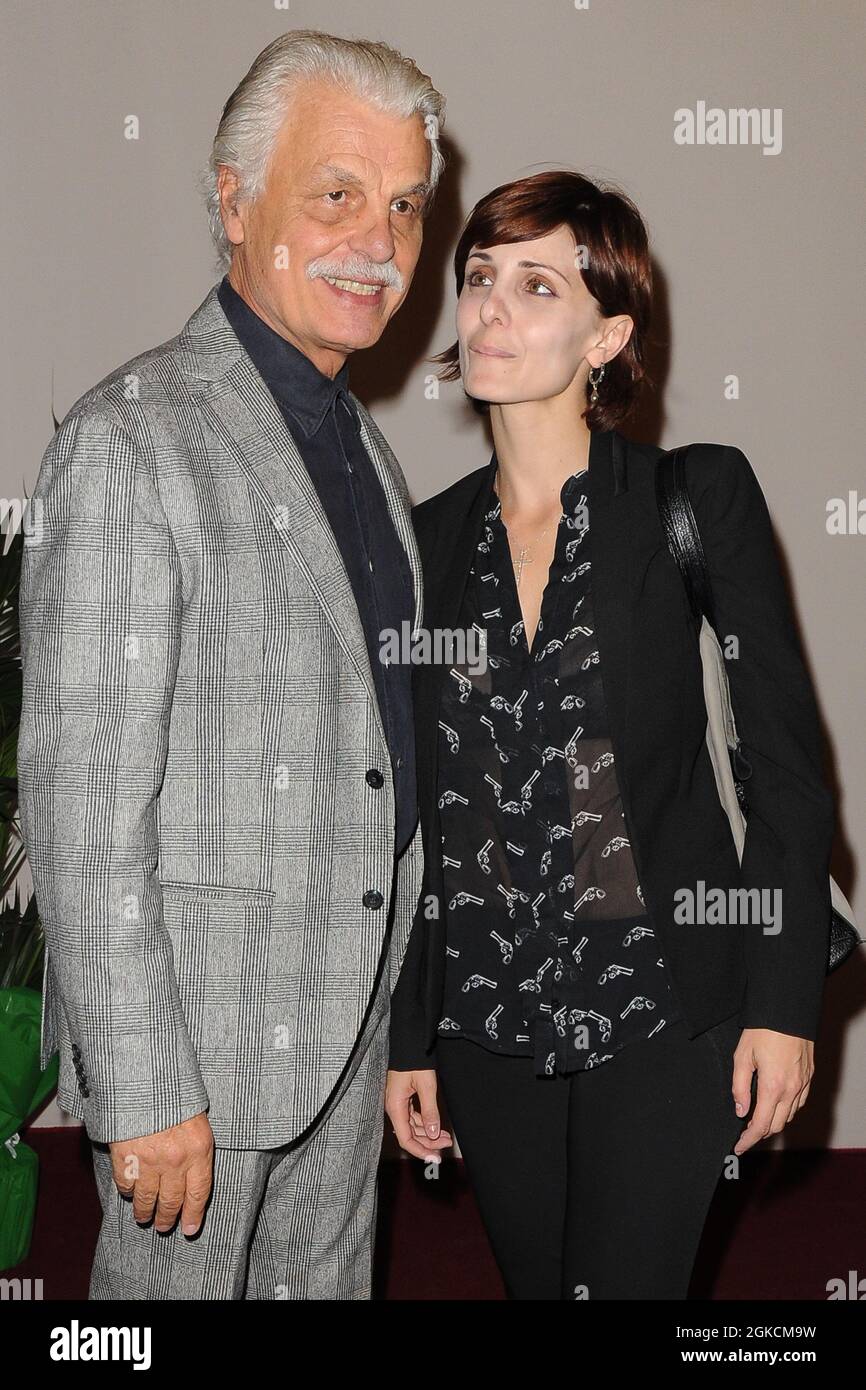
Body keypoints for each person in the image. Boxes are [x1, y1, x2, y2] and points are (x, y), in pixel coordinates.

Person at [17, 29, 446, 1300]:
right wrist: (147, 1082)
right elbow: (82, 794)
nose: (378, 240)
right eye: (337, 194)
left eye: (406, 206)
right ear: (232, 197)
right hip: (195, 1060)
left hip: (337, 1028)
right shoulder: (129, 442)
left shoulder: (363, 453)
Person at [385, 170, 836, 1300]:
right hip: (485, 1020)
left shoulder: (692, 497)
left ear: (607, 334)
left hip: (664, 1006)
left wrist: (782, 1008)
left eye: (536, 284)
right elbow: (409, 807)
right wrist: (410, 1030)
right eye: (479, 276)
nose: (489, 307)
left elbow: (779, 766)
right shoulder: (423, 541)